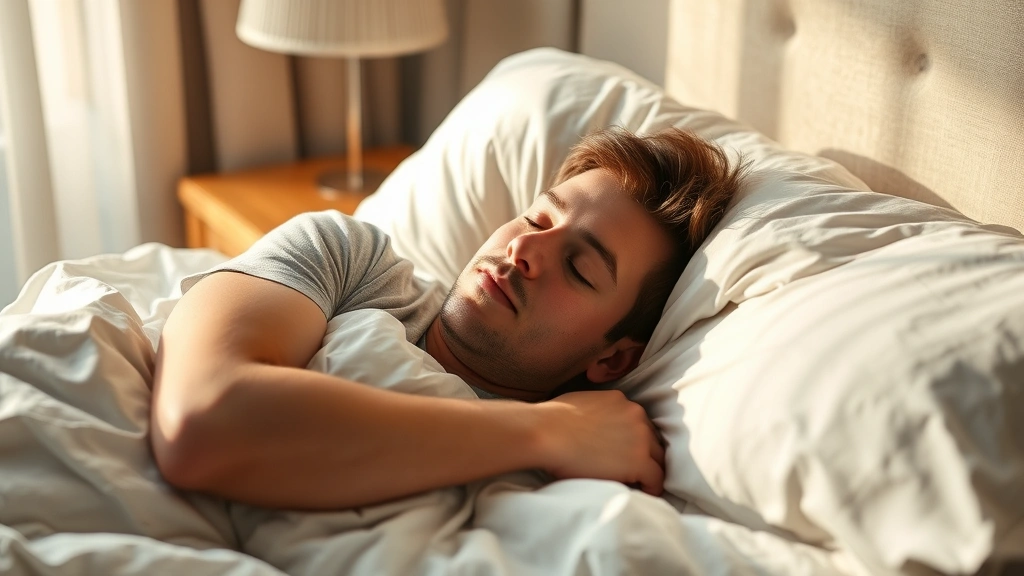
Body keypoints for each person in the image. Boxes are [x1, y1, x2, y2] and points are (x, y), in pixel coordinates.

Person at [151, 126, 743, 511]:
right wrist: (548, 431)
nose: (524, 250)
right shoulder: (345, 259)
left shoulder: (585, 476)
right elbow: (199, 423)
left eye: (579, 268)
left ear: (612, 358)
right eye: (537, 220)